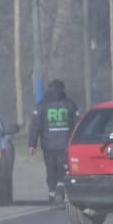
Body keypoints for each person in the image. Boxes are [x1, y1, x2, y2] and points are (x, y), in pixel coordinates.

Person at [28, 78, 78, 206]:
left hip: (48, 145)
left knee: (50, 169)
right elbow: (77, 124)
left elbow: (35, 126)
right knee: (63, 168)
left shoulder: (42, 106)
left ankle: (51, 193)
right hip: (65, 144)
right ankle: (61, 188)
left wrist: (32, 144)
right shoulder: (70, 104)